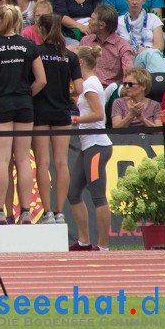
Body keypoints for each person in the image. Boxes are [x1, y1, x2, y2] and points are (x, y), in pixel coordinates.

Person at [0, 4, 45, 225]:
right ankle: (25, 211)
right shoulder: (29, 45)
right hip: (24, 104)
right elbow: (42, 80)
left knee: (2, 160)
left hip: (1, 105)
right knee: (24, 159)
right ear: (17, 21)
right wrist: (26, 93)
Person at [32, 13, 80, 225]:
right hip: (62, 112)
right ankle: (60, 212)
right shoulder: (70, 55)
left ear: (42, 30)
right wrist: (66, 96)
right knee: (62, 163)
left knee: (42, 163)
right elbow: (79, 88)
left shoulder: (36, 53)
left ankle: (47, 212)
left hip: (40, 111)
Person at [68, 45, 111, 250]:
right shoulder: (88, 83)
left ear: (81, 63)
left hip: (96, 145)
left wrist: (75, 119)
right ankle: (84, 241)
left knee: (98, 196)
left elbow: (98, 114)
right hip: (89, 146)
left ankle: (103, 246)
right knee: (73, 192)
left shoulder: (90, 84)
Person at [80, 4, 134, 88]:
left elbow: (129, 75)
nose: (89, 21)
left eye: (92, 19)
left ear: (102, 25)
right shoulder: (85, 41)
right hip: (87, 88)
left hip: (110, 91)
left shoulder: (122, 47)